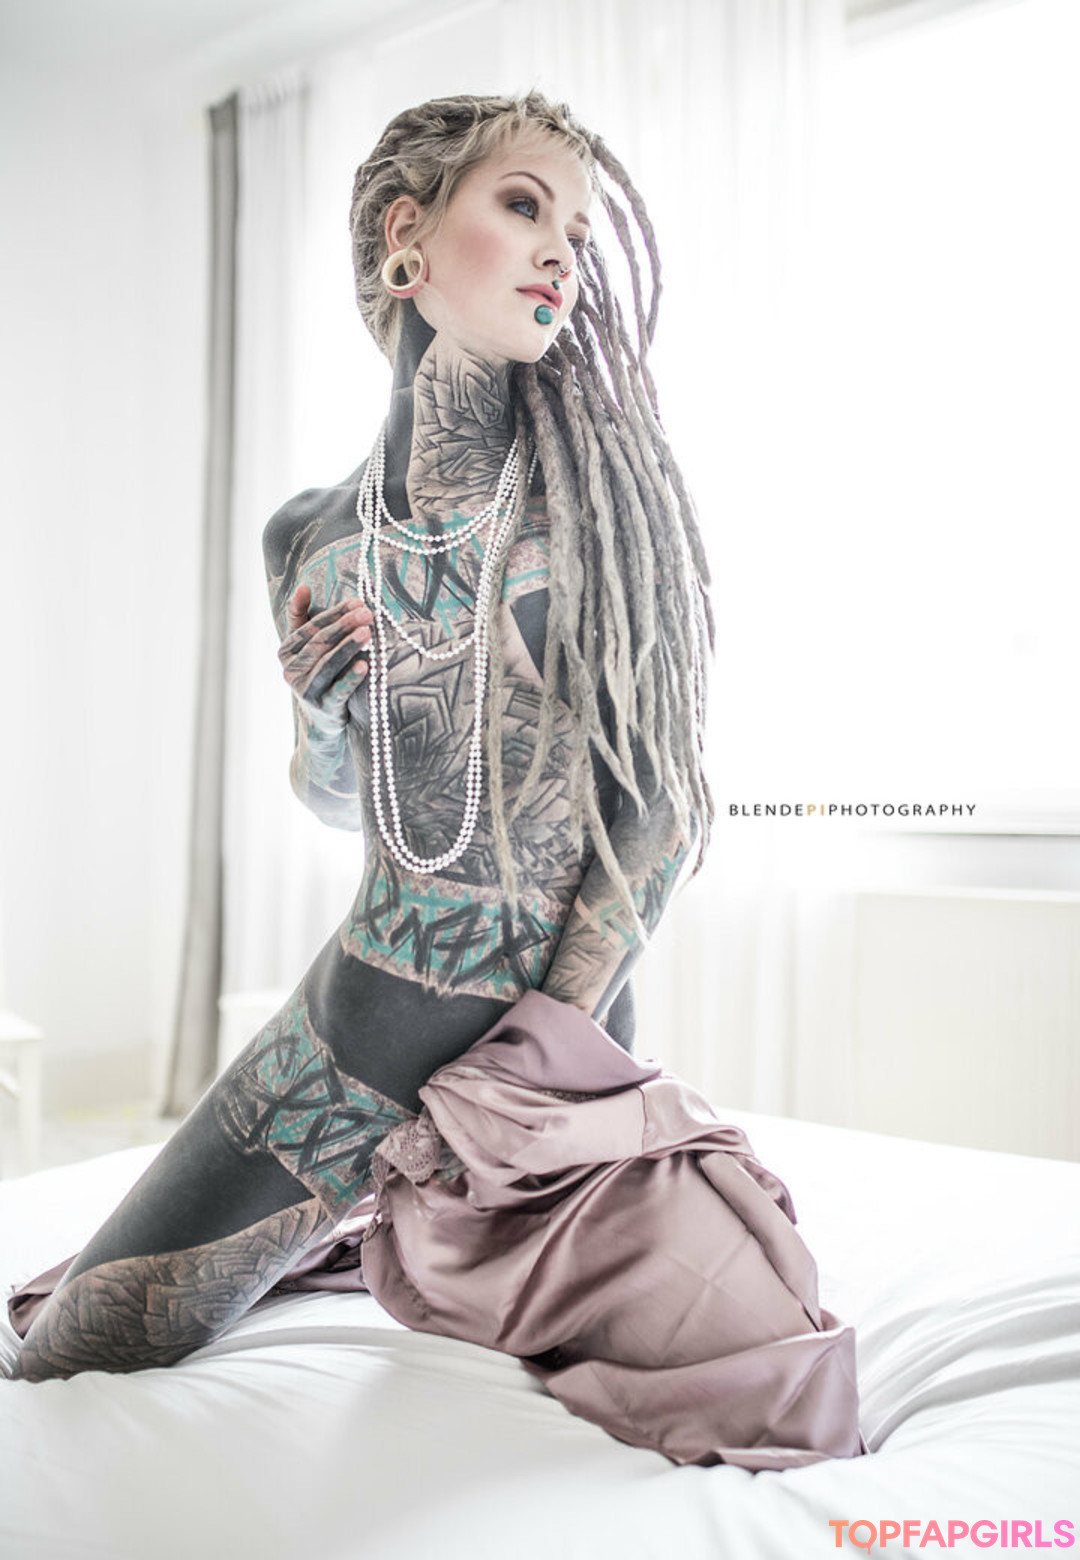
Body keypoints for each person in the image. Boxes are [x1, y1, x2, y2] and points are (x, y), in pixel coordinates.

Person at [10, 90, 715, 1384]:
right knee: (71, 1349)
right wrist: (326, 719)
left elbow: (664, 808)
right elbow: (340, 803)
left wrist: (534, 1069)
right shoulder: (310, 535)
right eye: (524, 205)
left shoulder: (601, 500)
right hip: (363, 1016)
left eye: (577, 230)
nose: (562, 252)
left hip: (556, 1045)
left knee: (701, 1362)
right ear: (408, 234)